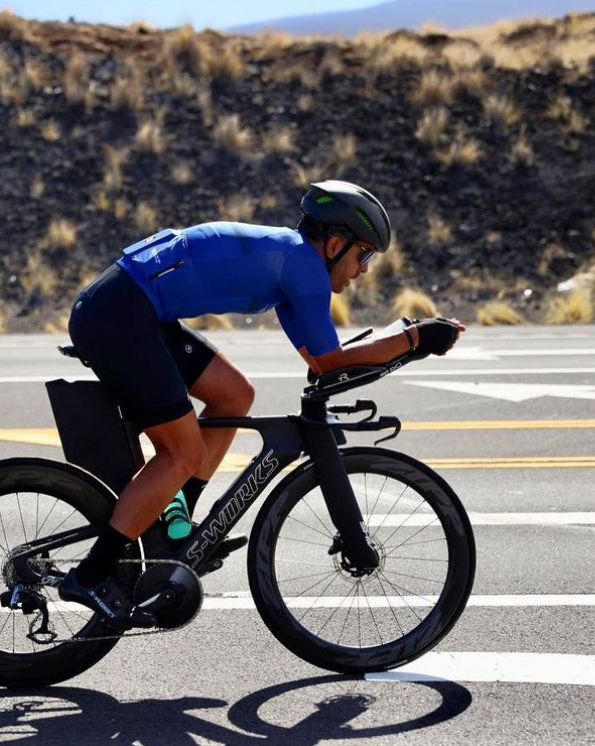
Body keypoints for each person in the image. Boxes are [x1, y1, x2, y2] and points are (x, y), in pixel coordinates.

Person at [59, 179, 465, 629]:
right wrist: (413, 338)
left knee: (234, 394)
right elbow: (331, 360)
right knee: (184, 452)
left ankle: (176, 529)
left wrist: (410, 344)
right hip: (118, 314)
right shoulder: (302, 267)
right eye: (363, 255)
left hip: (130, 307)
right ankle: (92, 573)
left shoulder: (294, 267)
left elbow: (321, 364)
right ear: (334, 243)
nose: (364, 269)